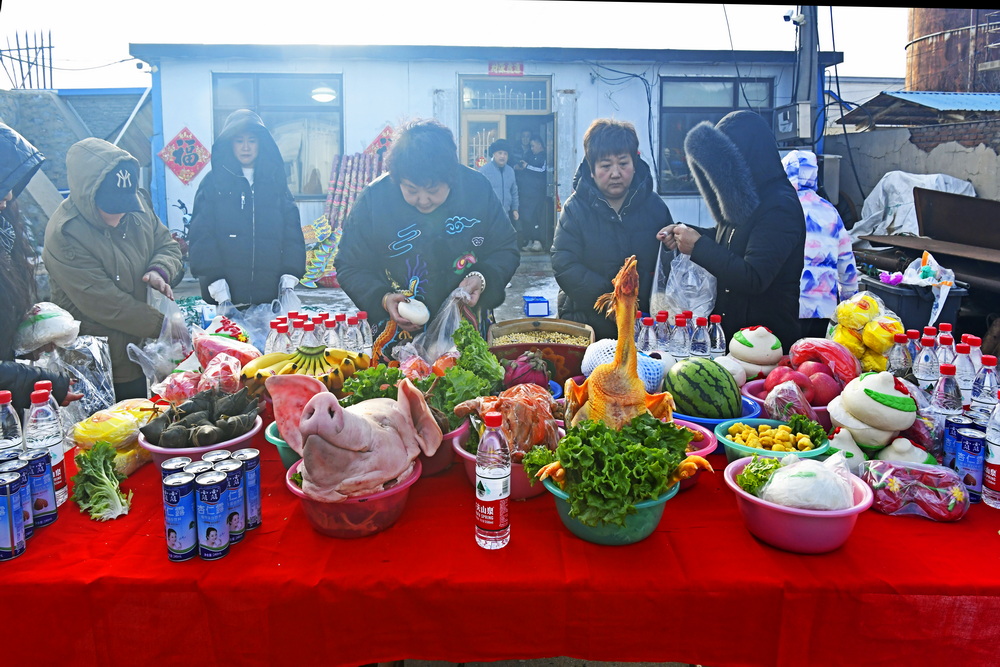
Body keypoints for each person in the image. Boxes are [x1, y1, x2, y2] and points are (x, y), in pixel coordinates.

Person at [335, 119, 520, 361]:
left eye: (433, 191)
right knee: (397, 396)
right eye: (411, 190)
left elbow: (505, 248)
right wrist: (383, 298)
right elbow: (350, 265)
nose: (423, 200)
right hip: (399, 336)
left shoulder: (476, 189)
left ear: (451, 177)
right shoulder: (375, 199)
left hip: (467, 332)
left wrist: (482, 278)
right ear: (397, 178)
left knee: (471, 393)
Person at [43, 138, 184, 400]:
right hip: (100, 360)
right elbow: (106, 303)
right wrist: (166, 328)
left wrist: (160, 269)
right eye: (111, 207)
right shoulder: (65, 234)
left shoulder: (137, 207)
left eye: (125, 206)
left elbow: (167, 245)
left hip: (146, 349)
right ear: (88, 197)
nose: (120, 215)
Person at [658, 110, 805, 349]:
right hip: (733, 338)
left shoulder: (779, 206)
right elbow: (726, 240)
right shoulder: (742, 195)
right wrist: (684, 232)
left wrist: (698, 246)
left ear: (745, 157)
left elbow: (754, 277)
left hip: (767, 347)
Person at [551, 119, 675, 340]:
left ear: (635, 164)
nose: (615, 173)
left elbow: (667, 265)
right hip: (587, 321)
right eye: (606, 166)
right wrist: (612, 301)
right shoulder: (574, 209)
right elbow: (564, 264)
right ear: (592, 170)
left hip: (641, 324)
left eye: (623, 164)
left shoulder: (655, 208)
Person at [187, 109, 306, 309]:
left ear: (261, 144)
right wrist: (214, 280)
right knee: (229, 340)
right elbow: (201, 234)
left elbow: (292, 231)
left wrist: (290, 273)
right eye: (239, 141)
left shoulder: (275, 182)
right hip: (225, 293)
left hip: (269, 292)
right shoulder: (213, 184)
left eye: (252, 140)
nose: (245, 148)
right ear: (229, 144)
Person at [0, 122, 80, 411]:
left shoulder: (5, 236)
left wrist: (27, 334)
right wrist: (42, 384)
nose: (8, 198)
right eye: (3, 188)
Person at [781, 149, 858, 339]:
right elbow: (846, 260)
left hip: (787, 304)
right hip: (823, 306)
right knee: (814, 360)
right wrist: (851, 300)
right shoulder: (829, 210)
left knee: (787, 361)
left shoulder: (780, 208)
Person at [516, 135, 548, 252]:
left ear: (540, 145)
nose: (532, 148)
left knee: (536, 217)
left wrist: (527, 166)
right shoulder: (530, 155)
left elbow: (542, 170)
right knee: (527, 217)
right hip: (527, 194)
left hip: (537, 193)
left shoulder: (544, 156)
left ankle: (538, 241)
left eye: (533, 146)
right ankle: (530, 240)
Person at [478, 139, 519, 225]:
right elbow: (478, 193)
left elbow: (514, 192)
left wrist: (515, 209)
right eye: (500, 153)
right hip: (488, 216)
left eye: (505, 154)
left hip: (505, 215)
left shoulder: (510, 171)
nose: (502, 156)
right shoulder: (484, 171)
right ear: (494, 154)